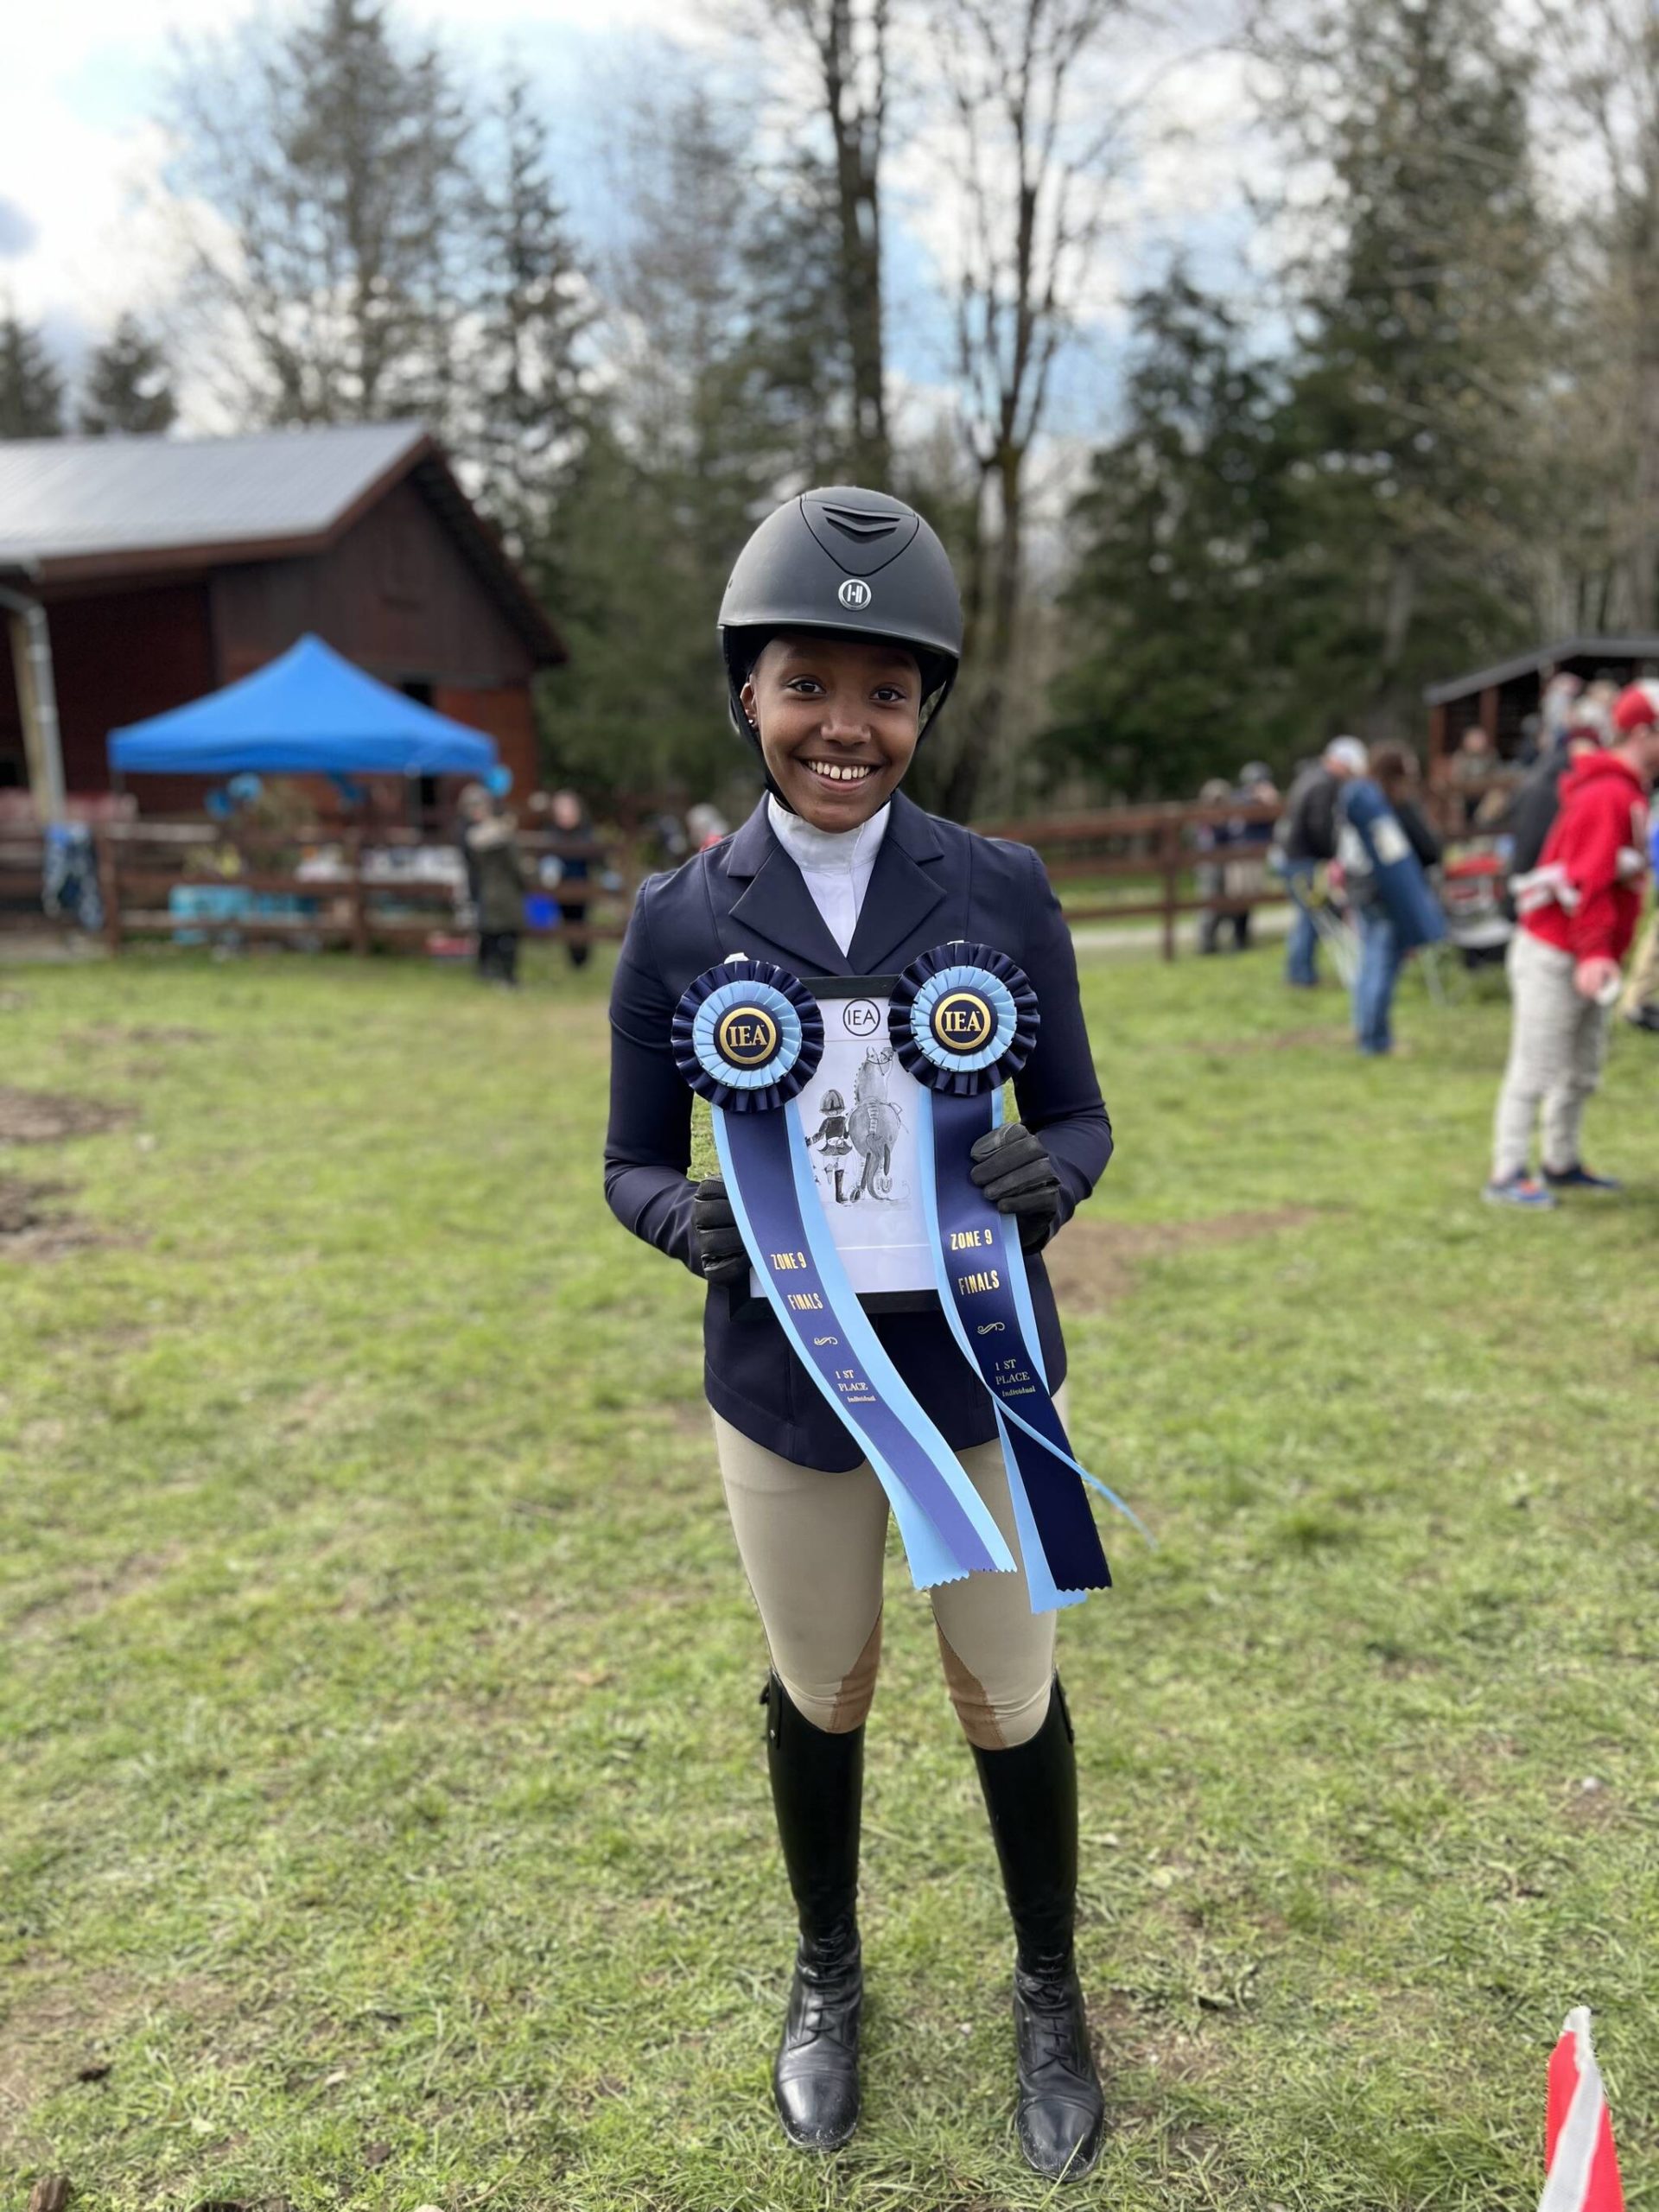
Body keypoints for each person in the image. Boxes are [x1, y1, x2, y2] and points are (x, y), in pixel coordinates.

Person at [605, 486, 1115, 2179]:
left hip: (978, 1374)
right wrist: (682, 1218)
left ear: (927, 708)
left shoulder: (1003, 890)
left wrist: (1050, 1177)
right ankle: (828, 1972)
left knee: (1009, 1690)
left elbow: (1080, 1118)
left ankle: (1049, 1989)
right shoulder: (682, 916)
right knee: (823, 1684)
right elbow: (628, 1157)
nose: (847, 725)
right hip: (787, 1386)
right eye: (808, 685)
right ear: (748, 694)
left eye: (887, 692)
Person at [1485, 681, 1659, 1207]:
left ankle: (1560, 1162)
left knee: (1581, 1068)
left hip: (1582, 951)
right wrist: (1594, 950)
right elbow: (1588, 881)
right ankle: (1507, 1173)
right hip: (1557, 951)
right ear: (1643, 733)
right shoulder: (1609, 794)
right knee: (1536, 1065)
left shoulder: (1626, 791)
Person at [1345, 743, 1441, 1056]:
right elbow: (1427, 848)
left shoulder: (1360, 801)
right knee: (1382, 965)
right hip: (1386, 894)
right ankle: (1376, 1040)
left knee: (1370, 962)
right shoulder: (1388, 806)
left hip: (1362, 890)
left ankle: (1365, 1029)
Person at [1272, 736, 1367, 986]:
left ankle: (1300, 972)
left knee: (1310, 915)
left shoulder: (1311, 777)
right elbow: (1320, 825)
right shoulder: (1325, 784)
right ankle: (1300, 975)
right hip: (1304, 859)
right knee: (1312, 915)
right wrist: (1332, 855)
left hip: (1294, 856)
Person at [460, 783, 529, 986]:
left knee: (493, 933)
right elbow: (516, 865)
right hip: (500, 890)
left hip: (489, 890)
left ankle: (492, 972)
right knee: (501, 935)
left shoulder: (470, 836)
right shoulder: (500, 835)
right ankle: (503, 975)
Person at [548, 788, 594, 969]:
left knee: (580, 920)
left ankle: (580, 958)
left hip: (581, 884)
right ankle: (573, 958)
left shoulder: (585, 832)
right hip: (559, 885)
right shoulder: (552, 833)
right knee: (565, 921)